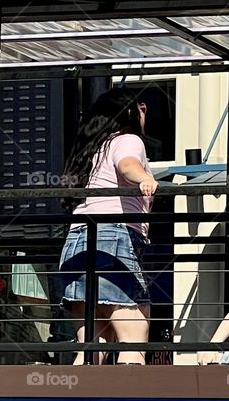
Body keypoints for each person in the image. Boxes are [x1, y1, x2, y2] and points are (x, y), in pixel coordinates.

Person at [58, 88, 158, 366]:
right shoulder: (127, 139)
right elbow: (127, 165)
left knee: (92, 345)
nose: (145, 112)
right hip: (113, 240)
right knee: (134, 337)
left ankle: (77, 397)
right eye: (141, 107)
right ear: (127, 112)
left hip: (76, 243)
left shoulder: (91, 150)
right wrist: (144, 180)